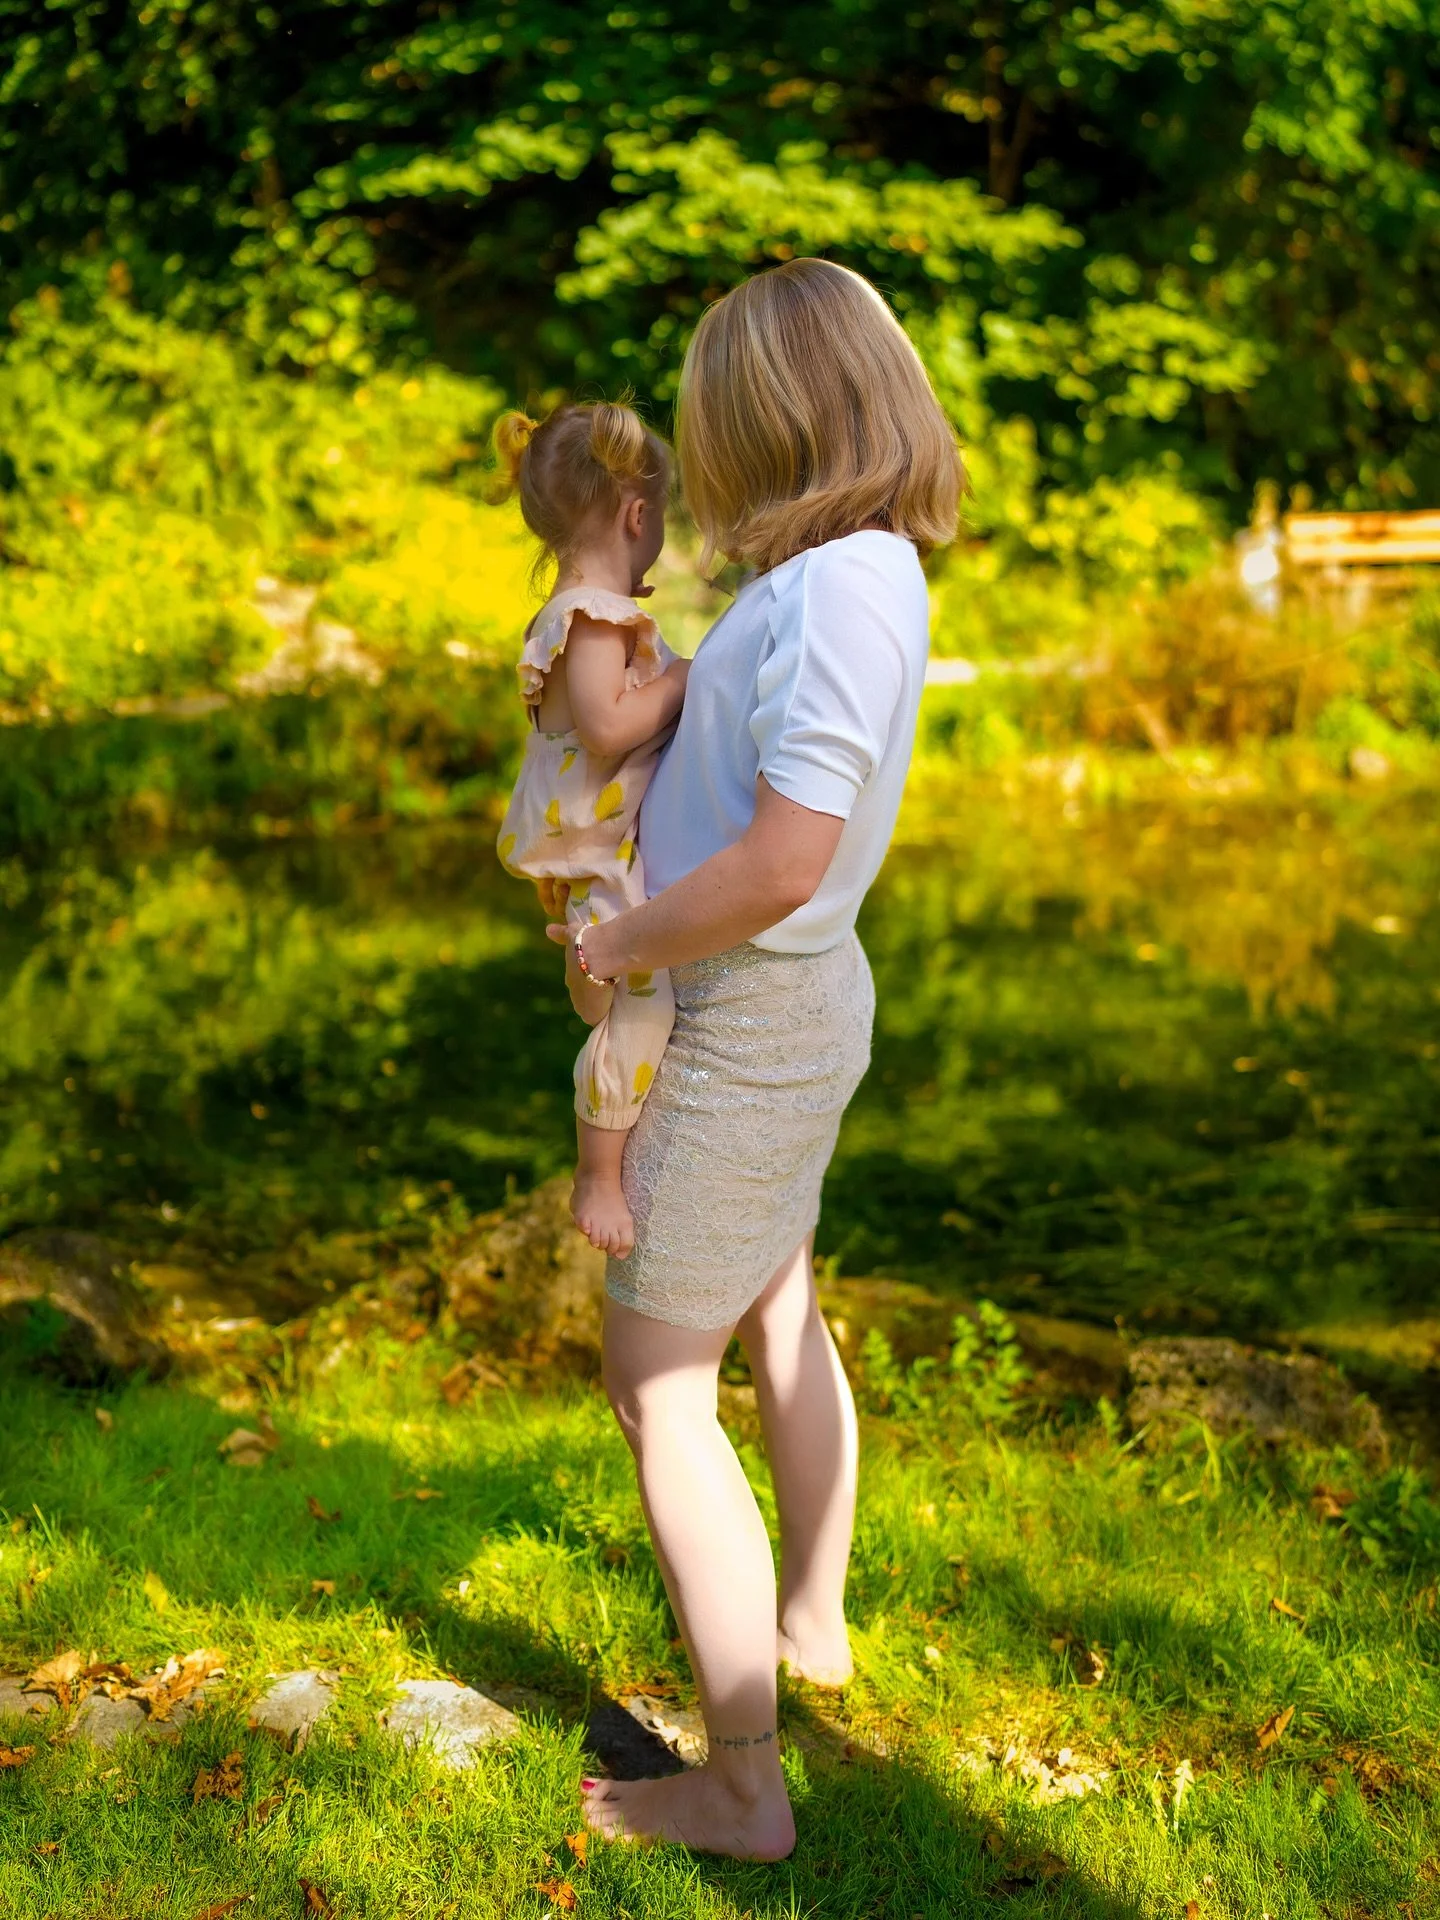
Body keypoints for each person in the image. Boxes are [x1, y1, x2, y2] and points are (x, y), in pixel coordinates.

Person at [551, 258, 962, 1859]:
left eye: (712, 421)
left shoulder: (849, 586)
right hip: (775, 1004)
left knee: (658, 1383)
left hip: (749, 1012)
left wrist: (618, 947)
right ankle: (811, 1627)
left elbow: (787, 859)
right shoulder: (826, 579)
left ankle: (741, 1778)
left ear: (769, 419)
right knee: (780, 1302)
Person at [493, 401, 689, 1257]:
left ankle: (587, 972)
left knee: (620, 995)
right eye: (662, 524)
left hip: (593, 845)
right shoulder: (595, 616)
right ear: (636, 516)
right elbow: (611, 727)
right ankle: (598, 1172)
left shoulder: (574, 611)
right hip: (596, 847)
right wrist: (692, 675)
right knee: (645, 1009)